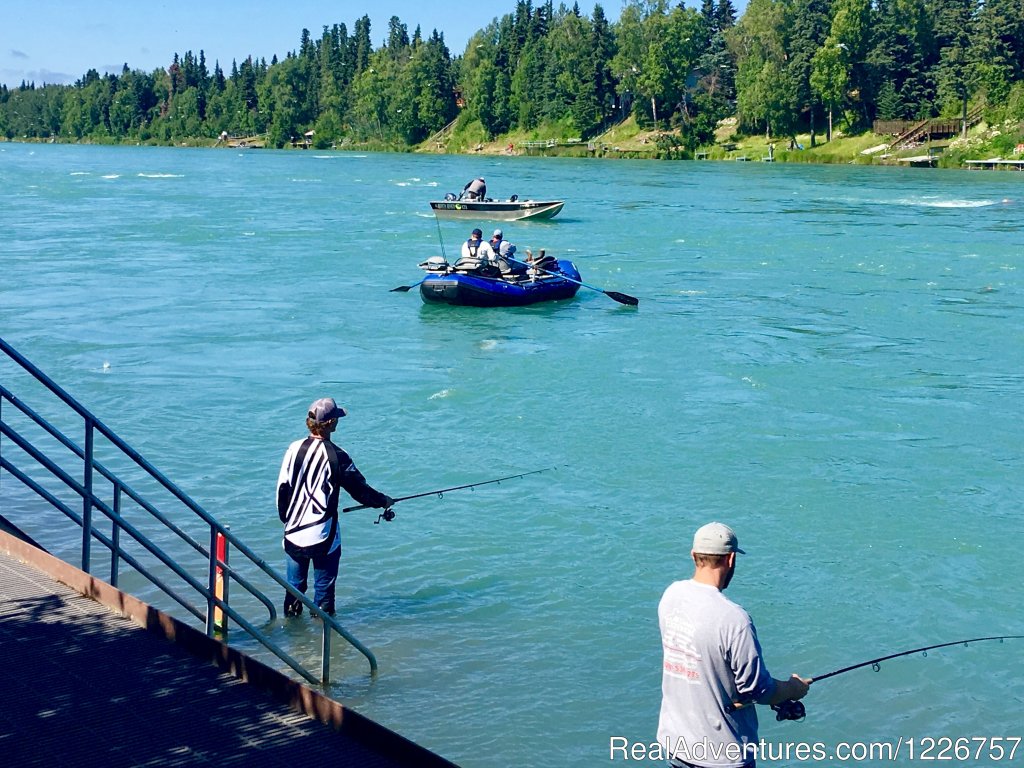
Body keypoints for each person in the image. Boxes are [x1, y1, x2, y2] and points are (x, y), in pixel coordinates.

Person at [657, 522, 809, 768]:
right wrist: (793, 689)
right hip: (722, 755)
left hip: (676, 745)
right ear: (730, 560)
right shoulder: (734, 619)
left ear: (694, 555)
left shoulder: (671, 596)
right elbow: (758, 691)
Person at [276, 397, 394, 617]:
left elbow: (282, 489)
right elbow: (361, 491)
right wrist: (383, 501)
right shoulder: (338, 456)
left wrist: (288, 520)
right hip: (323, 537)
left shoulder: (293, 448)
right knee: (323, 595)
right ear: (329, 424)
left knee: (293, 590)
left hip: (292, 534)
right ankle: (322, 637)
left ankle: (292, 638)